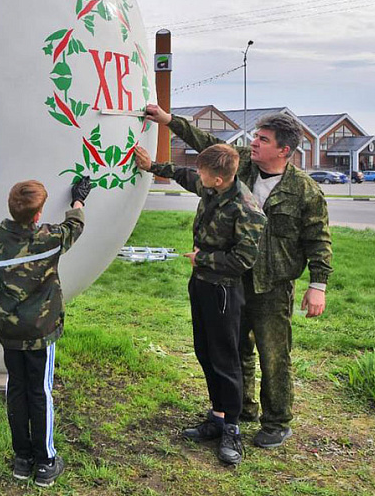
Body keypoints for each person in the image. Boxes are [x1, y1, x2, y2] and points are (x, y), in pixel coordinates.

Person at [143, 105, 332, 449]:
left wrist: (317, 285)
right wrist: (169, 121)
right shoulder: (241, 164)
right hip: (232, 280)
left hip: (271, 284)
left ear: (284, 150)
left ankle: (276, 421)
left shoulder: (304, 190)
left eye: (263, 139)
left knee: (274, 353)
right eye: (256, 137)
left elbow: (317, 238)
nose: (254, 143)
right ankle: (238, 410)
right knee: (234, 348)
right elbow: (207, 143)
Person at [134, 143, 266, 465]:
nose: (198, 176)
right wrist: (152, 166)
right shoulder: (211, 187)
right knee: (204, 350)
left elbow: (244, 259)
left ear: (218, 179)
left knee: (225, 356)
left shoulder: (246, 209)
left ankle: (232, 428)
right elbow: (182, 175)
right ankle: (217, 416)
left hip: (223, 289)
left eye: (203, 172)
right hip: (202, 284)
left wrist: (203, 258)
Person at [0, 176, 91, 487]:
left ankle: (22, 459)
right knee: (40, 392)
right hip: (41, 332)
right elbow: (75, 227)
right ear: (39, 214)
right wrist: (78, 200)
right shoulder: (50, 239)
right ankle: (46, 462)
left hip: (9, 331)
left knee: (16, 390)